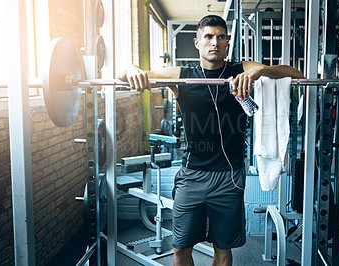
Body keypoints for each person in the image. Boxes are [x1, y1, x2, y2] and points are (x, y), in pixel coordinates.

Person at [120, 15, 304, 266]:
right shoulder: (182, 75)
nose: (214, 42)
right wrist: (132, 69)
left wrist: (260, 70)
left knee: (223, 249)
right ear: (197, 42)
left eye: (220, 37)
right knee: (180, 249)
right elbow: (125, 75)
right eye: (208, 37)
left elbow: (295, 73)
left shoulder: (242, 70)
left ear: (227, 42)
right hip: (192, 174)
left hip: (229, 176)